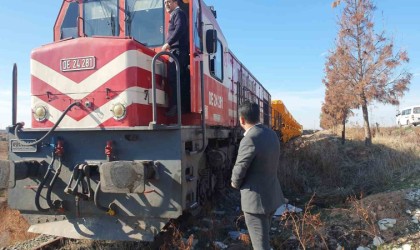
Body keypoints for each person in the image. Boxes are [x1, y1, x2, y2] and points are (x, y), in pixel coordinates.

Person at [231, 101, 285, 250]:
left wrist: (234, 183)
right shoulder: (271, 134)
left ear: (241, 119)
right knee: (263, 238)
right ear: (258, 116)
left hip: (255, 203)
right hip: (271, 197)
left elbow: (240, 167)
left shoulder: (249, 139)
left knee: (260, 246)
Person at [162, 0, 189, 116]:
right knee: (177, 80)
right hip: (177, 52)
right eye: (164, 2)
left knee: (175, 79)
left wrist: (168, 43)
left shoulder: (178, 13)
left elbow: (180, 29)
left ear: (175, 2)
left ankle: (176, 107)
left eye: (168, 1)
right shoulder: (176, 14)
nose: (166, 4)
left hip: (177, 52)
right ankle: (179, 107)